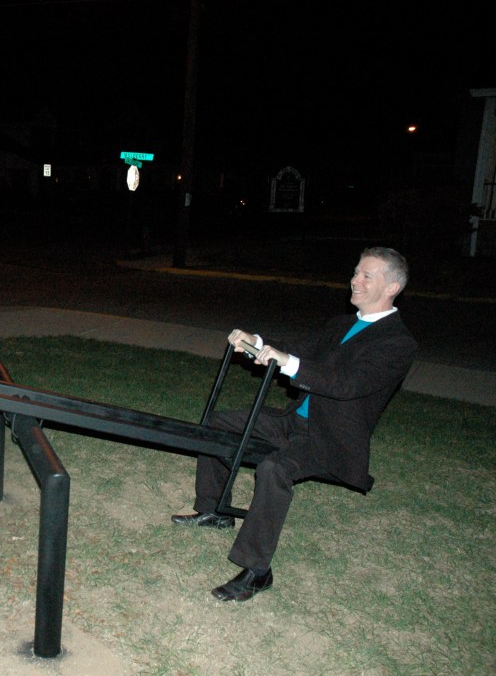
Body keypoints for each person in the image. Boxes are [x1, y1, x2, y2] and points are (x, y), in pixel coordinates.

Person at [172, 247, 417, 601]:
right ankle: (212, 510)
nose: (355, 280)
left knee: (274, 469)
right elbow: (302, 349)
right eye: (355, 272)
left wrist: (290, 363)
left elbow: (347, 384)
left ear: (393, 286)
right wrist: (256, 344)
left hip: (330, 437)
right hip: (295, 421)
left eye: (367, 275)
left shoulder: (397, 343)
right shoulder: (344, 324)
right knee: (217, 423)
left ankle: (257, 570)